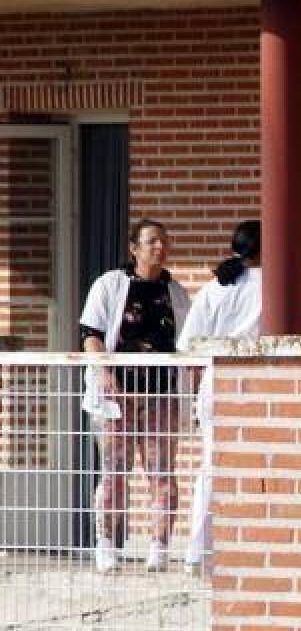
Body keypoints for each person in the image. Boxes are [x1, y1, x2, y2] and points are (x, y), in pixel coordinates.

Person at [79, 219, 190, 573]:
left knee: (162, 472)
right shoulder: (109, 285)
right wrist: (105, 373)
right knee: (114, 471)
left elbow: (187, 342)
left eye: (164, 242)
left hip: (161, 394)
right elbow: (91, 333)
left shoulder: (177, 292)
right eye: (152, 241)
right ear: (134, 248)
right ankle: (106, 543)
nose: (160, 247)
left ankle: (159, 545)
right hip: (118, 395)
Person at [176, 220, 262, 575]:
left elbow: (187, 346)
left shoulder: (215, 287)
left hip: (216, 382)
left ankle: (198, 550)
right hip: (261, 384)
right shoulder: (279, 285)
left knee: (210, 467)